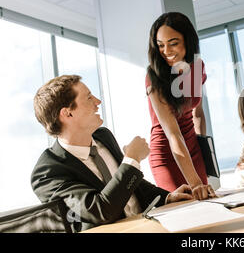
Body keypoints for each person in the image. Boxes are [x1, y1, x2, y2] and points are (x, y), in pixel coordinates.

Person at [31, 75, 193, 232]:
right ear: (67, 113)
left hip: (148, 225)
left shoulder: (104, 137)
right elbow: (100, 211)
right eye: (88, 98)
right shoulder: (47, 172)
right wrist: (131, 160)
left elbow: (132, 185)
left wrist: (167, 197)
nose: (97, 102)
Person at [145, 12, 215, 200]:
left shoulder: (197, 68)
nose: (166, 51)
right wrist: (195, 182)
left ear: (188, 40)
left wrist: (203, 151)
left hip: (193, 147)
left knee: (207, 202)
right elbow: (173, 134)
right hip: (167, 152)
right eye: (160, 45)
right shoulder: (154, 77)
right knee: (185, 207)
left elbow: (197, 113)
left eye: (173, 43)